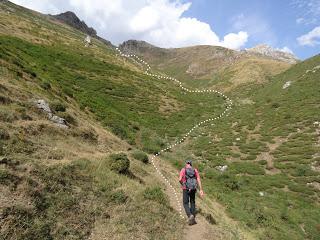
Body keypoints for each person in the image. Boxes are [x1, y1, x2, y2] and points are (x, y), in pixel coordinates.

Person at [179, 159, 204, 225]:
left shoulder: (183, 170)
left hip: (186, 188)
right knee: (192, 201)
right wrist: (201, 189)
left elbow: (180, 179)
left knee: (185, 203)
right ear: (191, 164)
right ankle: (193, 215)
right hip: (193, 188)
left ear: (186, 163)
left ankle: (190, 216)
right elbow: (198, 179)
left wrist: (183, 185)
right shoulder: (195, 170)